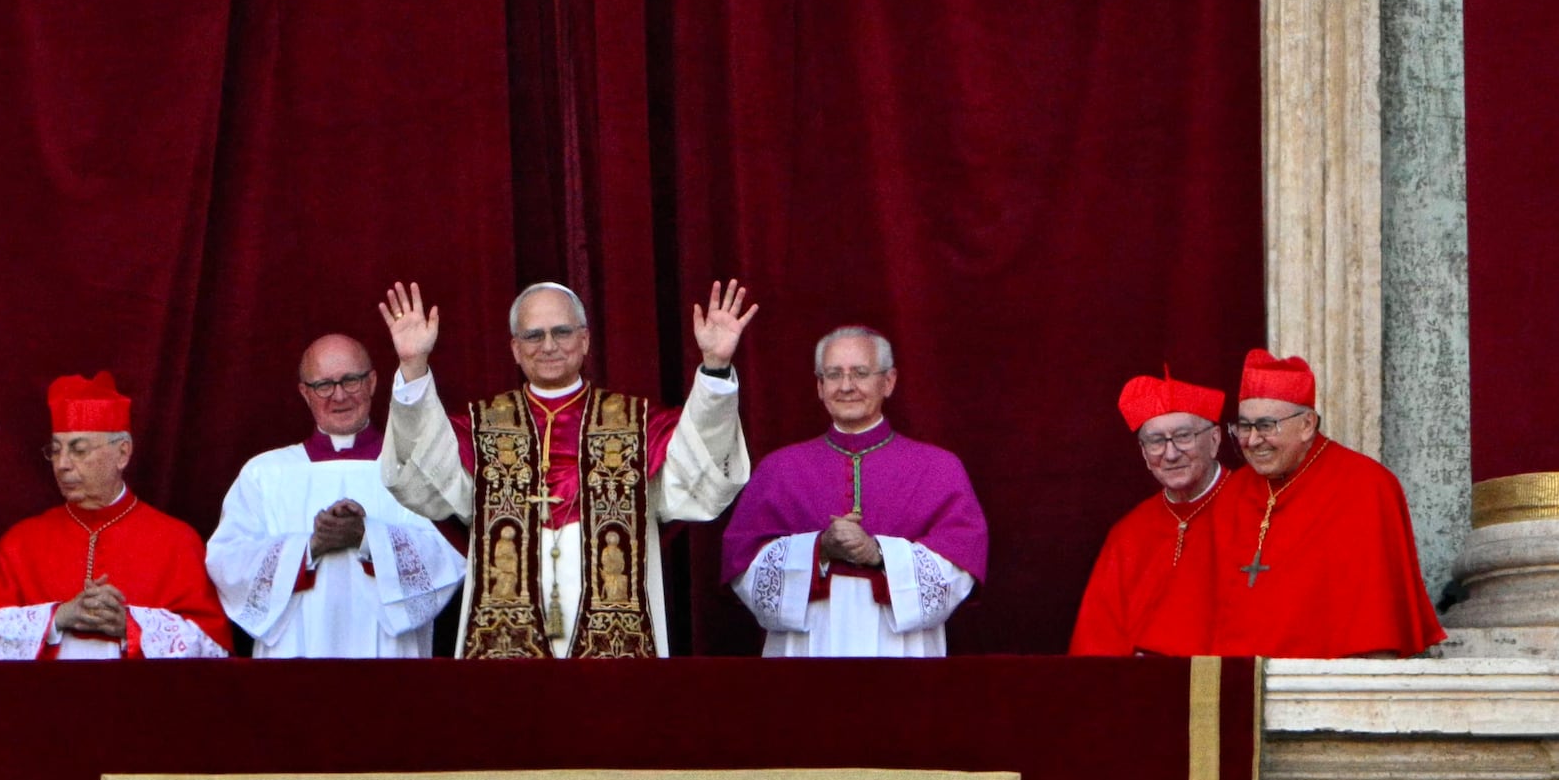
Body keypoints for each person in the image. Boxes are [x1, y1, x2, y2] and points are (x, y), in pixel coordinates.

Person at [379, 274, 755, 657]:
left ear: (585, 340)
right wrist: (413, 368)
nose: (548, 346)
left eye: (561, 331)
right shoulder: (482, 428)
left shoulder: (636, 426)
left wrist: (715, 367)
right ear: (514, 348)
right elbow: (426, 479)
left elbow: (699, 472)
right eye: (533, 335)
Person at [718, 325, 987, 658]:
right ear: (819, 386)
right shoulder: (779, 469)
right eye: (833, 375)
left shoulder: (939, 468)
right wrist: (820, 550)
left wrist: (877, 553)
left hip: (903, 649)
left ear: (888, 382)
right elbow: (744, 567)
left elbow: (959, 565)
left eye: (860, 373)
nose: (846, 386)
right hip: (806, 646)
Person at [206, 332, 464, 658]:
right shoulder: (265, 473)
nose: (339, 396)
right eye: (323, 385)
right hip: (294, 653)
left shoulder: (414, 468)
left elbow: (449, 556)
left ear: (371, 382)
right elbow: (227, 562)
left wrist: (369, 537)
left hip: (389, 657)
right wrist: (310, 546)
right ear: (304, 393)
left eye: (350, 381)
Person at [0, 374, 234, 660]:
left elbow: (213, 650)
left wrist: (130, 625)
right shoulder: (20, 543)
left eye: (79, 450)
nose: (63, 465)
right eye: (55, 450)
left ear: (122, 454)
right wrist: (57, 617)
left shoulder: (177, 541)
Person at [1211, 352, 1446, 658]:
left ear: (1307, 424)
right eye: (1243, 427)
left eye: (1266, 426)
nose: (1253, 440)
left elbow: (1375, 621)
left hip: (1331, 684)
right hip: (1242, 682)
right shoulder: (1230, 494)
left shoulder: (1366, 486)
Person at [1070, 374, 1255, 657]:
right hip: (1140, 690)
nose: (1170, 454)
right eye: (1156, 441)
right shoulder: (1128, 533)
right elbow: (1096, 645)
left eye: (1183, 436)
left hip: (1216, 680)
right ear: (1144, 453)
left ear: (1215, 440)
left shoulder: (1255, 509)